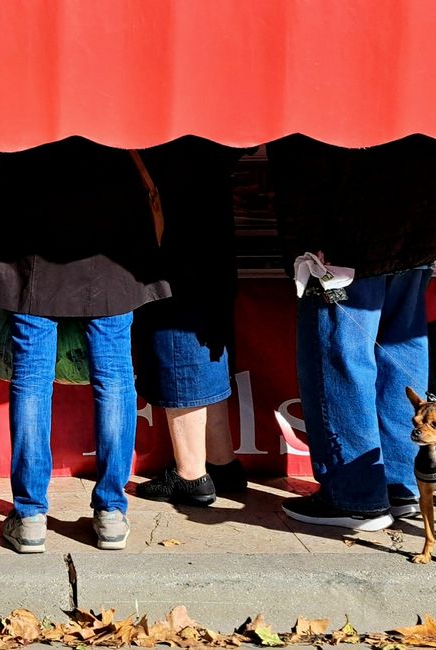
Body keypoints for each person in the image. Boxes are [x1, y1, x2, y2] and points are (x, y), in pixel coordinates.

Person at [0, 137, 171, 553]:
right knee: (114, 376)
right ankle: (111, 512)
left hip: (33, 217)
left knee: (31, 377)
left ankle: (29, 516)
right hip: (112, 228)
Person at [267, 134, 436, 531]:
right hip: (415, 217)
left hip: (344, 234)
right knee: (402, 353)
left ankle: (354, 496)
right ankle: (401, 483)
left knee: (340, 358)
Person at [133, 137, 249, 506]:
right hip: (213, 224)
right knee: (208, 337)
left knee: (176, 339)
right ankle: (221, 460)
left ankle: (190, 474)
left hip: (174, 231)